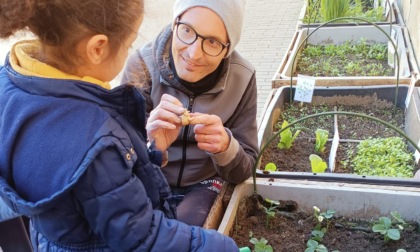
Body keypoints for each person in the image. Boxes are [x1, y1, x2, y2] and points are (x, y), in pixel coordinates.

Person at [0, 0, 239, 251]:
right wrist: (221, 245)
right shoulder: (94, 138)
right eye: (128, 44)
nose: (130, 51)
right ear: (98, 48)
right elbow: (142, 237)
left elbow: (95, 189)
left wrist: (152, 153)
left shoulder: (14, 82)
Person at [122, 0, 259, 227]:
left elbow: (244, 170)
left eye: (213, 42)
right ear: (175, 22)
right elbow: (117, 164)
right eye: (187, 30)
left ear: (228, 47)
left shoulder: (243, 78)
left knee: (188, 232)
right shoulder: (141, 66)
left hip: (204, 183)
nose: (194, 54)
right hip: (150, 177)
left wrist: (226, 147)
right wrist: (152, 147)